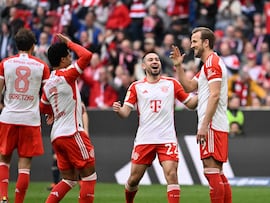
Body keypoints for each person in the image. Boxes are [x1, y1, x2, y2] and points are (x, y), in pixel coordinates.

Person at [112, 51, 198, 203]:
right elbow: (125, 112)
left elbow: (190, 104)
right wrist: (119, 111)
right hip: (145, 139)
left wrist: (205, 92)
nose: (155, 61)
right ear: (144, 66)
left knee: (171, 174)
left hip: (167, 138)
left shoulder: (171, 83)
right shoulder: (136, 86)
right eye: (151, 59)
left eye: (157, 59)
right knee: (133, 179)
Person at [170, 27, 232, 203]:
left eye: (195, 41)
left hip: (212, 124)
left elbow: (214, 94)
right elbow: (189, 86)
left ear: (206, 42)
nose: (192, 45)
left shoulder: (212, 63)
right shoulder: (208, 65)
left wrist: (204, 125)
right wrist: (178, 66)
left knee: (211, 171)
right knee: (216, 172)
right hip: (215, 123)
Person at [39, 33, 96, 203]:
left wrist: (51, 113)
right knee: (89, 177)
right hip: (72, 132)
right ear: (63, 60)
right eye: (69, 55)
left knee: (69, 179)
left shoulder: (48, 82)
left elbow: (43, 106)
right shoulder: (67, 74)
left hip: (57, 136)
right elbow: (87, 55)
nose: (71, 58)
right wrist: (70, 43)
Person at [0, 28, 50, 203]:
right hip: (30, 118)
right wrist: (48, 112)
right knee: (25, 165)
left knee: (4, 159)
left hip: (8, 117)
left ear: (16, 45)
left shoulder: (5, 63)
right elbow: (47, 96)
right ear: (33, 46)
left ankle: (3, 197)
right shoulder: (42, 66)